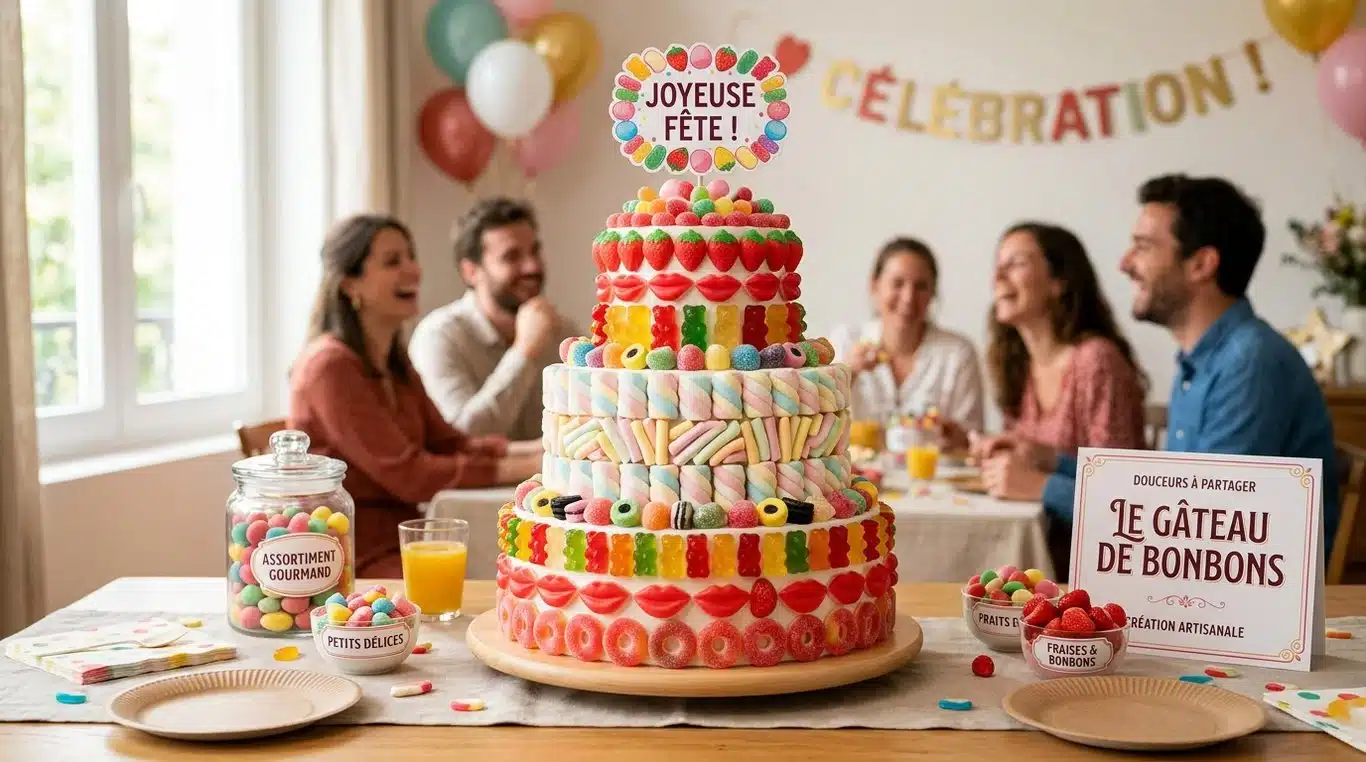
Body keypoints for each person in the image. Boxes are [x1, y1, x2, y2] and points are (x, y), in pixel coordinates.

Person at [289, 214, 542, 577]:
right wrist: (531, 465)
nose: (414, 270)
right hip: (350, 558)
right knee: (509, 575)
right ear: (350, 285)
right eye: (393, 261)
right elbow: (410, 474)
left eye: (411, 256)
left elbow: (448, 442)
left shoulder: (392, 361)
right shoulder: (329, 366)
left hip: (407, 540)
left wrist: (542, 449)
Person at [1116, 173, 1338, 549]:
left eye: (1143, 246)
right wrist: (1049, 467)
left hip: (1255, 598)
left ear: (1201, 264)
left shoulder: (1249, 362)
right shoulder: (1201, 358)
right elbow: (1173, 495)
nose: (1125, 263)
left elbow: (1201, 524)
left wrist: (1048, 487)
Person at [972, 222, 1148, 578]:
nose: (998, 277)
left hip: (1092, 573)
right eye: (997, 264)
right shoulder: (1016, 363)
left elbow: (1123, 496)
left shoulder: (1097, 361)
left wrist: (1037, 483)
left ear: (1059, 281)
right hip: (1038, 560)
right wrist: (1025, 452)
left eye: (1016, 262)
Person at [409, 198, 577, 441]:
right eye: (511, 256)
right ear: (471, 272)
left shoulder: (562, 333)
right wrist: (524, 351)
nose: (532, 266)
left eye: (535, 251)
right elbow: (462, 437)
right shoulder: (438, 337)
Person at [829, 237, 984, 449]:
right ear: (875, 286)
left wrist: (960, 439)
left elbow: (973, 439)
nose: (909, 297)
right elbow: (814, 420)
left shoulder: (958, 353)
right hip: (855, 477)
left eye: (921, 286)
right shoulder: (845, 341)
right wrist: (848, 372)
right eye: (897, 283)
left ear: (933, 294)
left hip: (935, 479)